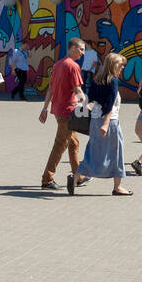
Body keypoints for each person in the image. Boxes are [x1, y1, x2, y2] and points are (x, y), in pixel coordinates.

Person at [69, 53, 131, 196]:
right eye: (121, 64)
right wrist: (106, 124)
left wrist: (84, 110)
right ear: (113, 65)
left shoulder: (97, 79)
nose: (122, 67)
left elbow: (90, 100)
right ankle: (118, 187)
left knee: (92, 151)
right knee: (116, 153)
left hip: (95, 121)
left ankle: (75, 178)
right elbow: (110, 106)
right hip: (110, 123)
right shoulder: (113, 81)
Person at [39, 39, 86, 190]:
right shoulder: (73, 66)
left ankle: (78, 175)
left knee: (73, 143)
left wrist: (45, 108)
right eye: (81, 49)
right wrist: (87, 106)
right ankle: (47, 179)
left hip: (59, 110)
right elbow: (77, 90)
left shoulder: (58, 65)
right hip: (68, 111)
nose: (83, 52)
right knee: (60, 144)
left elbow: (50, 89)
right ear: (72, 48)